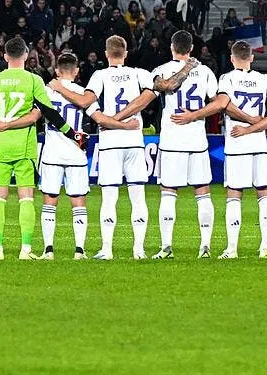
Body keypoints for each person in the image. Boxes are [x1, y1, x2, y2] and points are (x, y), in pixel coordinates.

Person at [172, 40, 267, 258]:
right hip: (259, 144)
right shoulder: (264, 79)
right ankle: (265, 247)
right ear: (251, 57)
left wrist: (194, 115)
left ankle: (232, 249)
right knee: (264, 193)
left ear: (232, 58)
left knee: (234, 195)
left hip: (237, 142)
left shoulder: (227, 79)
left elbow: (222, 104)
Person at [0, 37, 87, 260]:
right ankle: (25, 249)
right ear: (27, 55)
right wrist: (72, 134)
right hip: (24, 148)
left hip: (0, 146)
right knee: (25, 198)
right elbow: (49, 113)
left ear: (5, 56)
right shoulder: (33, 80)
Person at [50, 35, 155, 260]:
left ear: (106, 54)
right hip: (135, 142)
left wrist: (58, 87)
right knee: (138, 196)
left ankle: (107, 249)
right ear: (126, 53)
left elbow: (84, 102)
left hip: (109, 144)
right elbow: (149, 96)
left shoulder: (100, 75)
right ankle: (139, 249)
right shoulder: (139, 73)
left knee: (110, 197)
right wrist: (127, 124)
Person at [110, 30, 212, 258]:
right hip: (197, 140)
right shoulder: (205, 71)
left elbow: (143, 100)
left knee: (168, 192)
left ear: (172, 48)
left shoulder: (161, 71)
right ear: (192, 48)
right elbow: (220, 102)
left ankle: (166, 247)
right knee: (202, 192)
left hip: (172, 139)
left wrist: (115, 119)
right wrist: (196, 115)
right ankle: (205, 246)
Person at [37, 52, 132, 260]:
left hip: (52, 152)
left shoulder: (46, 91)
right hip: (76, 154)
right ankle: (79, 250)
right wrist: (126, 125)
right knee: (78, 201)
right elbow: (100, 119)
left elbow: (34, 116)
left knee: (49, 200)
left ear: (56, 71)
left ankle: (48, 250)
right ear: (77, 71)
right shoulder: (83, 93)